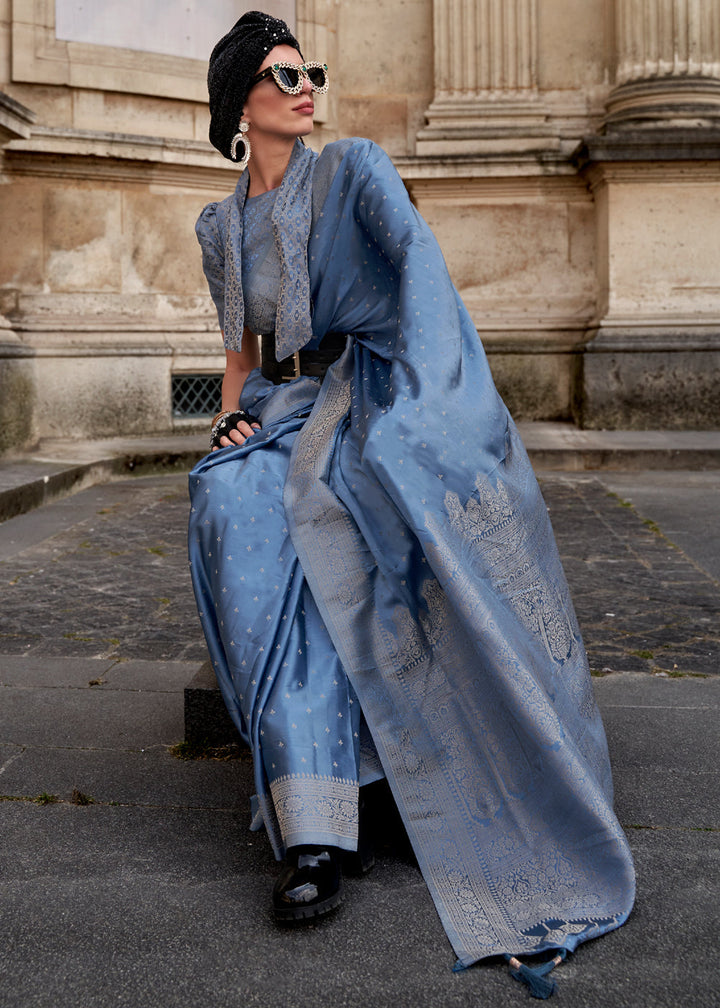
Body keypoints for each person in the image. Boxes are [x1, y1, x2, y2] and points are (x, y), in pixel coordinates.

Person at [188, 10, 635, 998]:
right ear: (239, 105)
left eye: (311, 68)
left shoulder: (357, 170)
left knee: (353, 499)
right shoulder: (218, 225)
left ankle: (351, 812)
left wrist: (430, 403)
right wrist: (228, 419)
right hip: (281, 403)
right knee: (233, 503)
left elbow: (423, 271)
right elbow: (237, 347)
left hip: (382, 390)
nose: (306, 84)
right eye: (282, 73)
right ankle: (314, 811)